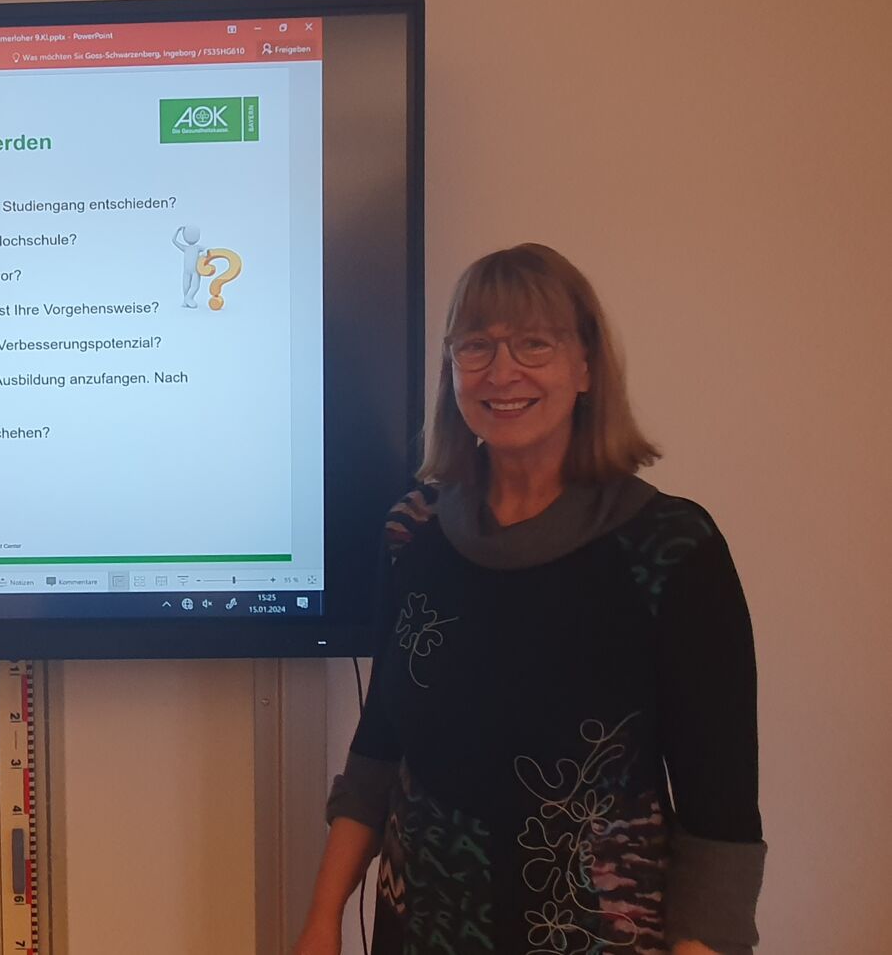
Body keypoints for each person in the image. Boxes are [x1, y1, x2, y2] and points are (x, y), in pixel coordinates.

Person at [294, 244, 765, 955]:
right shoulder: (412, 533)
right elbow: (381, 746)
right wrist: (322, 918)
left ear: (586, 366)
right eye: (475, 345)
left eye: (533, 344)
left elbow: (720, 815)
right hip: (420, 932)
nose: (501, 371)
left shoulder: (672, 549)